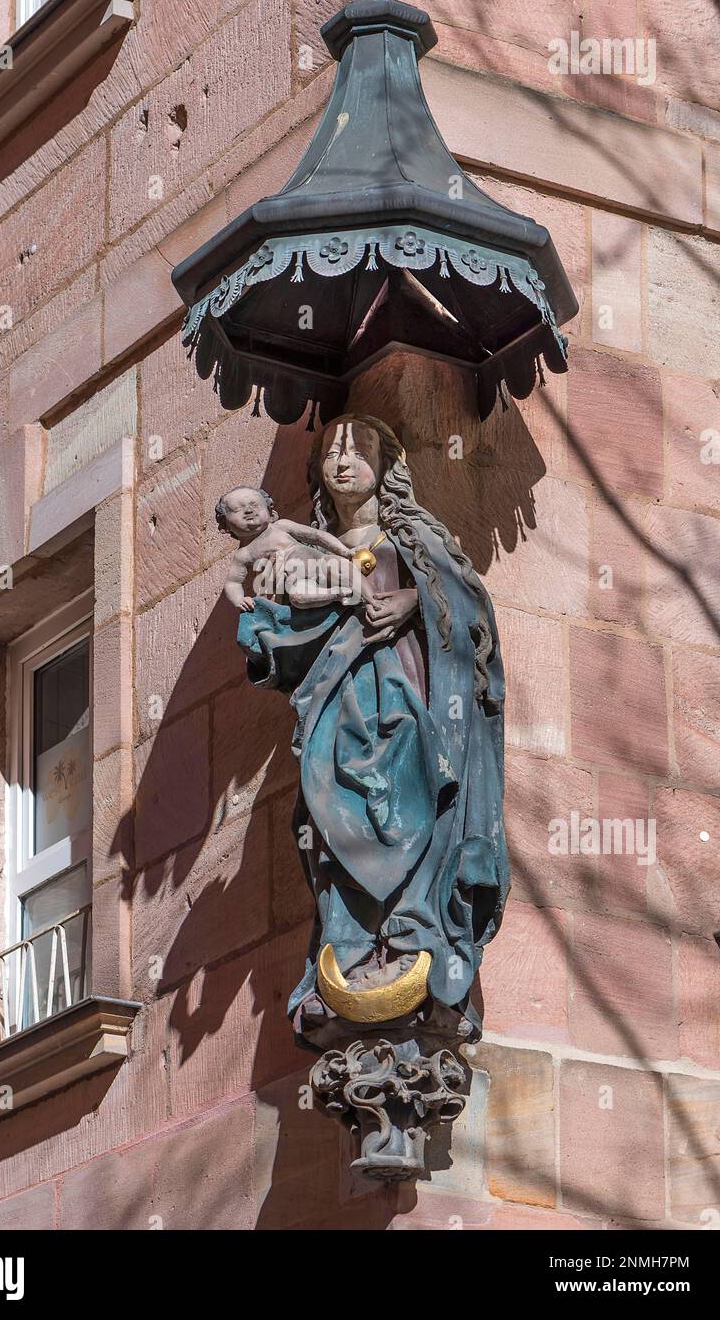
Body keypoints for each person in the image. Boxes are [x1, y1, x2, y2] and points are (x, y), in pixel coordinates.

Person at [236, 414, 509, 1040]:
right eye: (331, 452)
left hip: (410, 702)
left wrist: (415, 602)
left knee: (412, 806)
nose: (342, 461)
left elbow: (472, 613)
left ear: (387, 467)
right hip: (338, 710)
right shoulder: (305, 554)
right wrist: (262, 632)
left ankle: (415, 928)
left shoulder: (417, 540)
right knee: (336, 821)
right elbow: (293, 634)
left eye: (358, 450)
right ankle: (352, 943)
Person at [216, 484, 377, 611]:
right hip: (296, 579)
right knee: (298, 597)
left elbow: (317, 536)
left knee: (343, 567)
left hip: (320, 562)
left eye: (254, 505)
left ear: (270, 510)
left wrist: (345, 551)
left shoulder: (280, 526)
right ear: (226, 525)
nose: (249, 511)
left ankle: (372, 600)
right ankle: (336, 594)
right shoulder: (243, 554)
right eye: (237, 509)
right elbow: (232, 583)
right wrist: (240, 600)